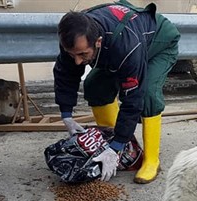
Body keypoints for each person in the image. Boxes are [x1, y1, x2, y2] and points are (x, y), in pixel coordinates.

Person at [54, 0, 180, 184]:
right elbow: (66, 73)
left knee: (147, 95)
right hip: (119, 42)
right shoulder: (73, 36)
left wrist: (117, 144)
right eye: (73, 54)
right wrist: (66, 115)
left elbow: (133, 99)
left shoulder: (126, 47)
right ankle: (118, 147)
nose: (78, 61)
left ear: (98, 42)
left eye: (83, 55)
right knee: (95, 86)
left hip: (159, 44)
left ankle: (151, 159)